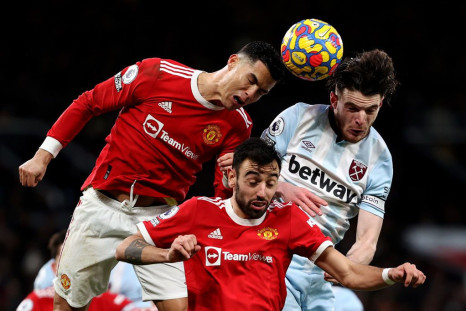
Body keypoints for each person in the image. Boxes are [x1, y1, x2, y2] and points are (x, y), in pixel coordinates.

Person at [18, 41, 286, 311]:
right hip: (101, 206)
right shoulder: (157, 73)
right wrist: (43, 156)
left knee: (181, 308)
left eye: (260, 92)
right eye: (250, 81)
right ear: (232, 63)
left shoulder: (239, 125)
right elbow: (90, 103)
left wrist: (231, 181)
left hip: (159, 219)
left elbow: (223, 198)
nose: (251, 93)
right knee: (67, 305)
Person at [115, 137, 426, 311]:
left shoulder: (288, 219)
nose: (263, 191)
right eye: (253, 180)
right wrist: (168, 256)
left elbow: (346, 271)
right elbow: (126, 247)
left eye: (271, 181)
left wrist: (391, 274)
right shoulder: (198, 211)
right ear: (232, 176)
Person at [260, 49, 400, 310]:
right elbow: (244, 176)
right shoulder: (298, 118)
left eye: (370, 110)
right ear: (334, 98)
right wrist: (279, 187)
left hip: (319, 271)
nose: (361, 120)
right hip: (269, 255)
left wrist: (349, 267)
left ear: (380, 104)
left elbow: (367, 241)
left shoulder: (381, 159)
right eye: (353, 108)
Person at [18, 231, 143, 311]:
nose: (70, 264)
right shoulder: (42, 289)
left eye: (76, 257)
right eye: (64, 259)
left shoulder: (106, 293)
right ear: (54, 266)